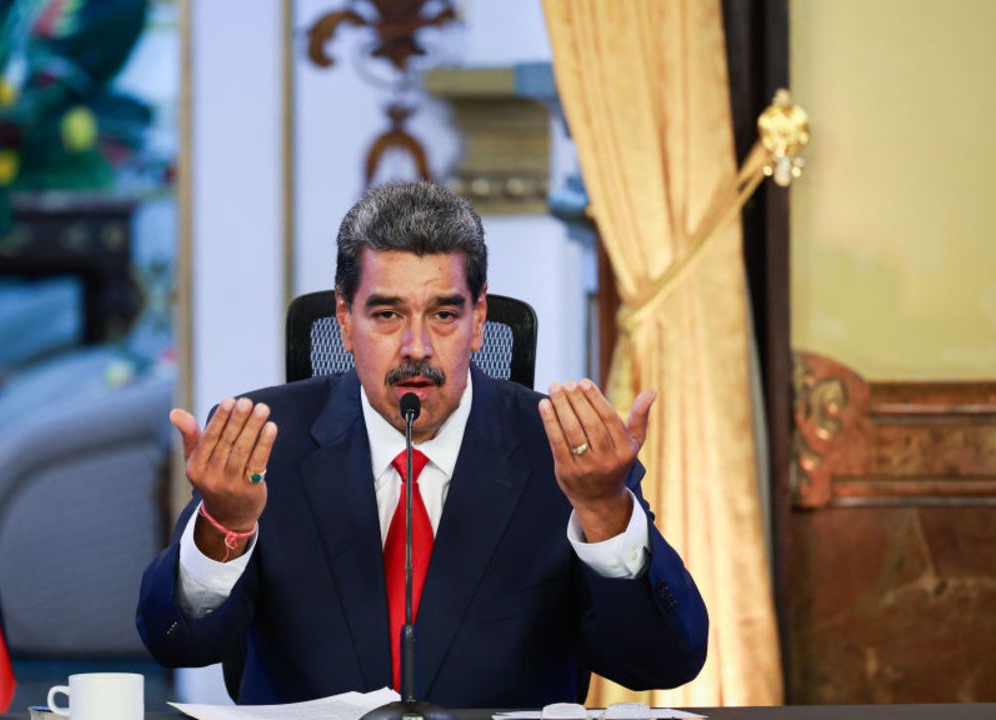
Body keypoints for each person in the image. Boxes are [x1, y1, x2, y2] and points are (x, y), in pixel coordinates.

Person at [137, 182, 708, 708]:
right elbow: (179, 643)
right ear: (343, 318)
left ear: (479, 320)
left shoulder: (564, 449)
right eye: (387, 314)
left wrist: (606, 509)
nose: (416, 347)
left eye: (443, 315)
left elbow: (662, 661)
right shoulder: (264, 444)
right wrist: (223, 528)